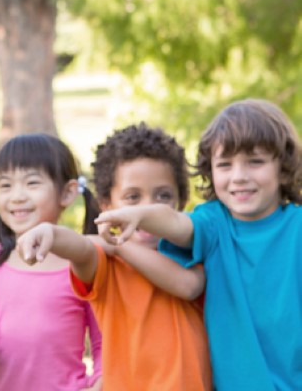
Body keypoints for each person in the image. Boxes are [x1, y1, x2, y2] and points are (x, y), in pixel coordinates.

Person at [95, 101, 301, 390]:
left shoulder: (297, 228)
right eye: (225, 165)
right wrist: (139, 214)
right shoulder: (214, 223)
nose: (239, 176)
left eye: (255, 161)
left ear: (283, 166)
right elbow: (177, 223)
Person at [17, 123, 212, 389]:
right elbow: (81, 249)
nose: (146, 209)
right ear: (106, 205)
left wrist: (119, 245)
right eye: (132, 197)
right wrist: (51, 232)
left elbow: (188, 286)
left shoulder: (193, 250)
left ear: (180, 200)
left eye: (162, 196)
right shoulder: (106, 264)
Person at [0, 134, 103, 390]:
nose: (16, 196)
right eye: (6, 185)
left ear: (68, 192)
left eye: (31, 183)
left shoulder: (82, 262)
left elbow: (102, 342)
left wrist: (98, 384)